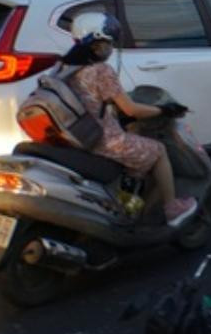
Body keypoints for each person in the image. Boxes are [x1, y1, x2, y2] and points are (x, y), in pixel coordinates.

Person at [62, 13, 198, 226]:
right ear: (97, 42)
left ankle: (129, 206)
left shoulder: (66, 67)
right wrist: (163, 110)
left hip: (77, 136)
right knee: (159, 151)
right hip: (103, 141)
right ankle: (172, 208)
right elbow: (131, 109)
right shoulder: (101, 70)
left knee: (134, 142)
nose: (111, 48)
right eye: (108, 42)